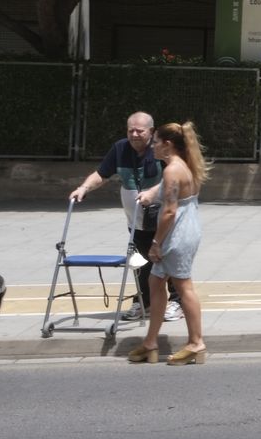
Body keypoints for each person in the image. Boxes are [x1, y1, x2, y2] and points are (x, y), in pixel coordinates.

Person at [68, 111, 182, 323]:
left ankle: (176, 301)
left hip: (163, 216)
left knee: (169, 258)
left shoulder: (160, 149)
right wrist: (83, 188)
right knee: (139, 262)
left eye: (140, 130)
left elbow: (176, 176)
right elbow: (101, 174)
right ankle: (143, 301)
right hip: (136, 220)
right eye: (131, 130)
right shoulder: (120, 148)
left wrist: (153, 192)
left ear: (151, 131)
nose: (135, 134)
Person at [128, 121, 209, 365]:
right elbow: (167, 192)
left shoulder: (172, 170)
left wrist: (156, 242)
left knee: (184, 287)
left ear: (167, 144)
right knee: (155, 281)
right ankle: (151, 342)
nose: (152, 146)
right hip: (184, 227)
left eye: (155, 142)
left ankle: (196, 343)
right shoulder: (180, 165)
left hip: (179, 232)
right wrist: (152, 193)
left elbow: (169, 212)